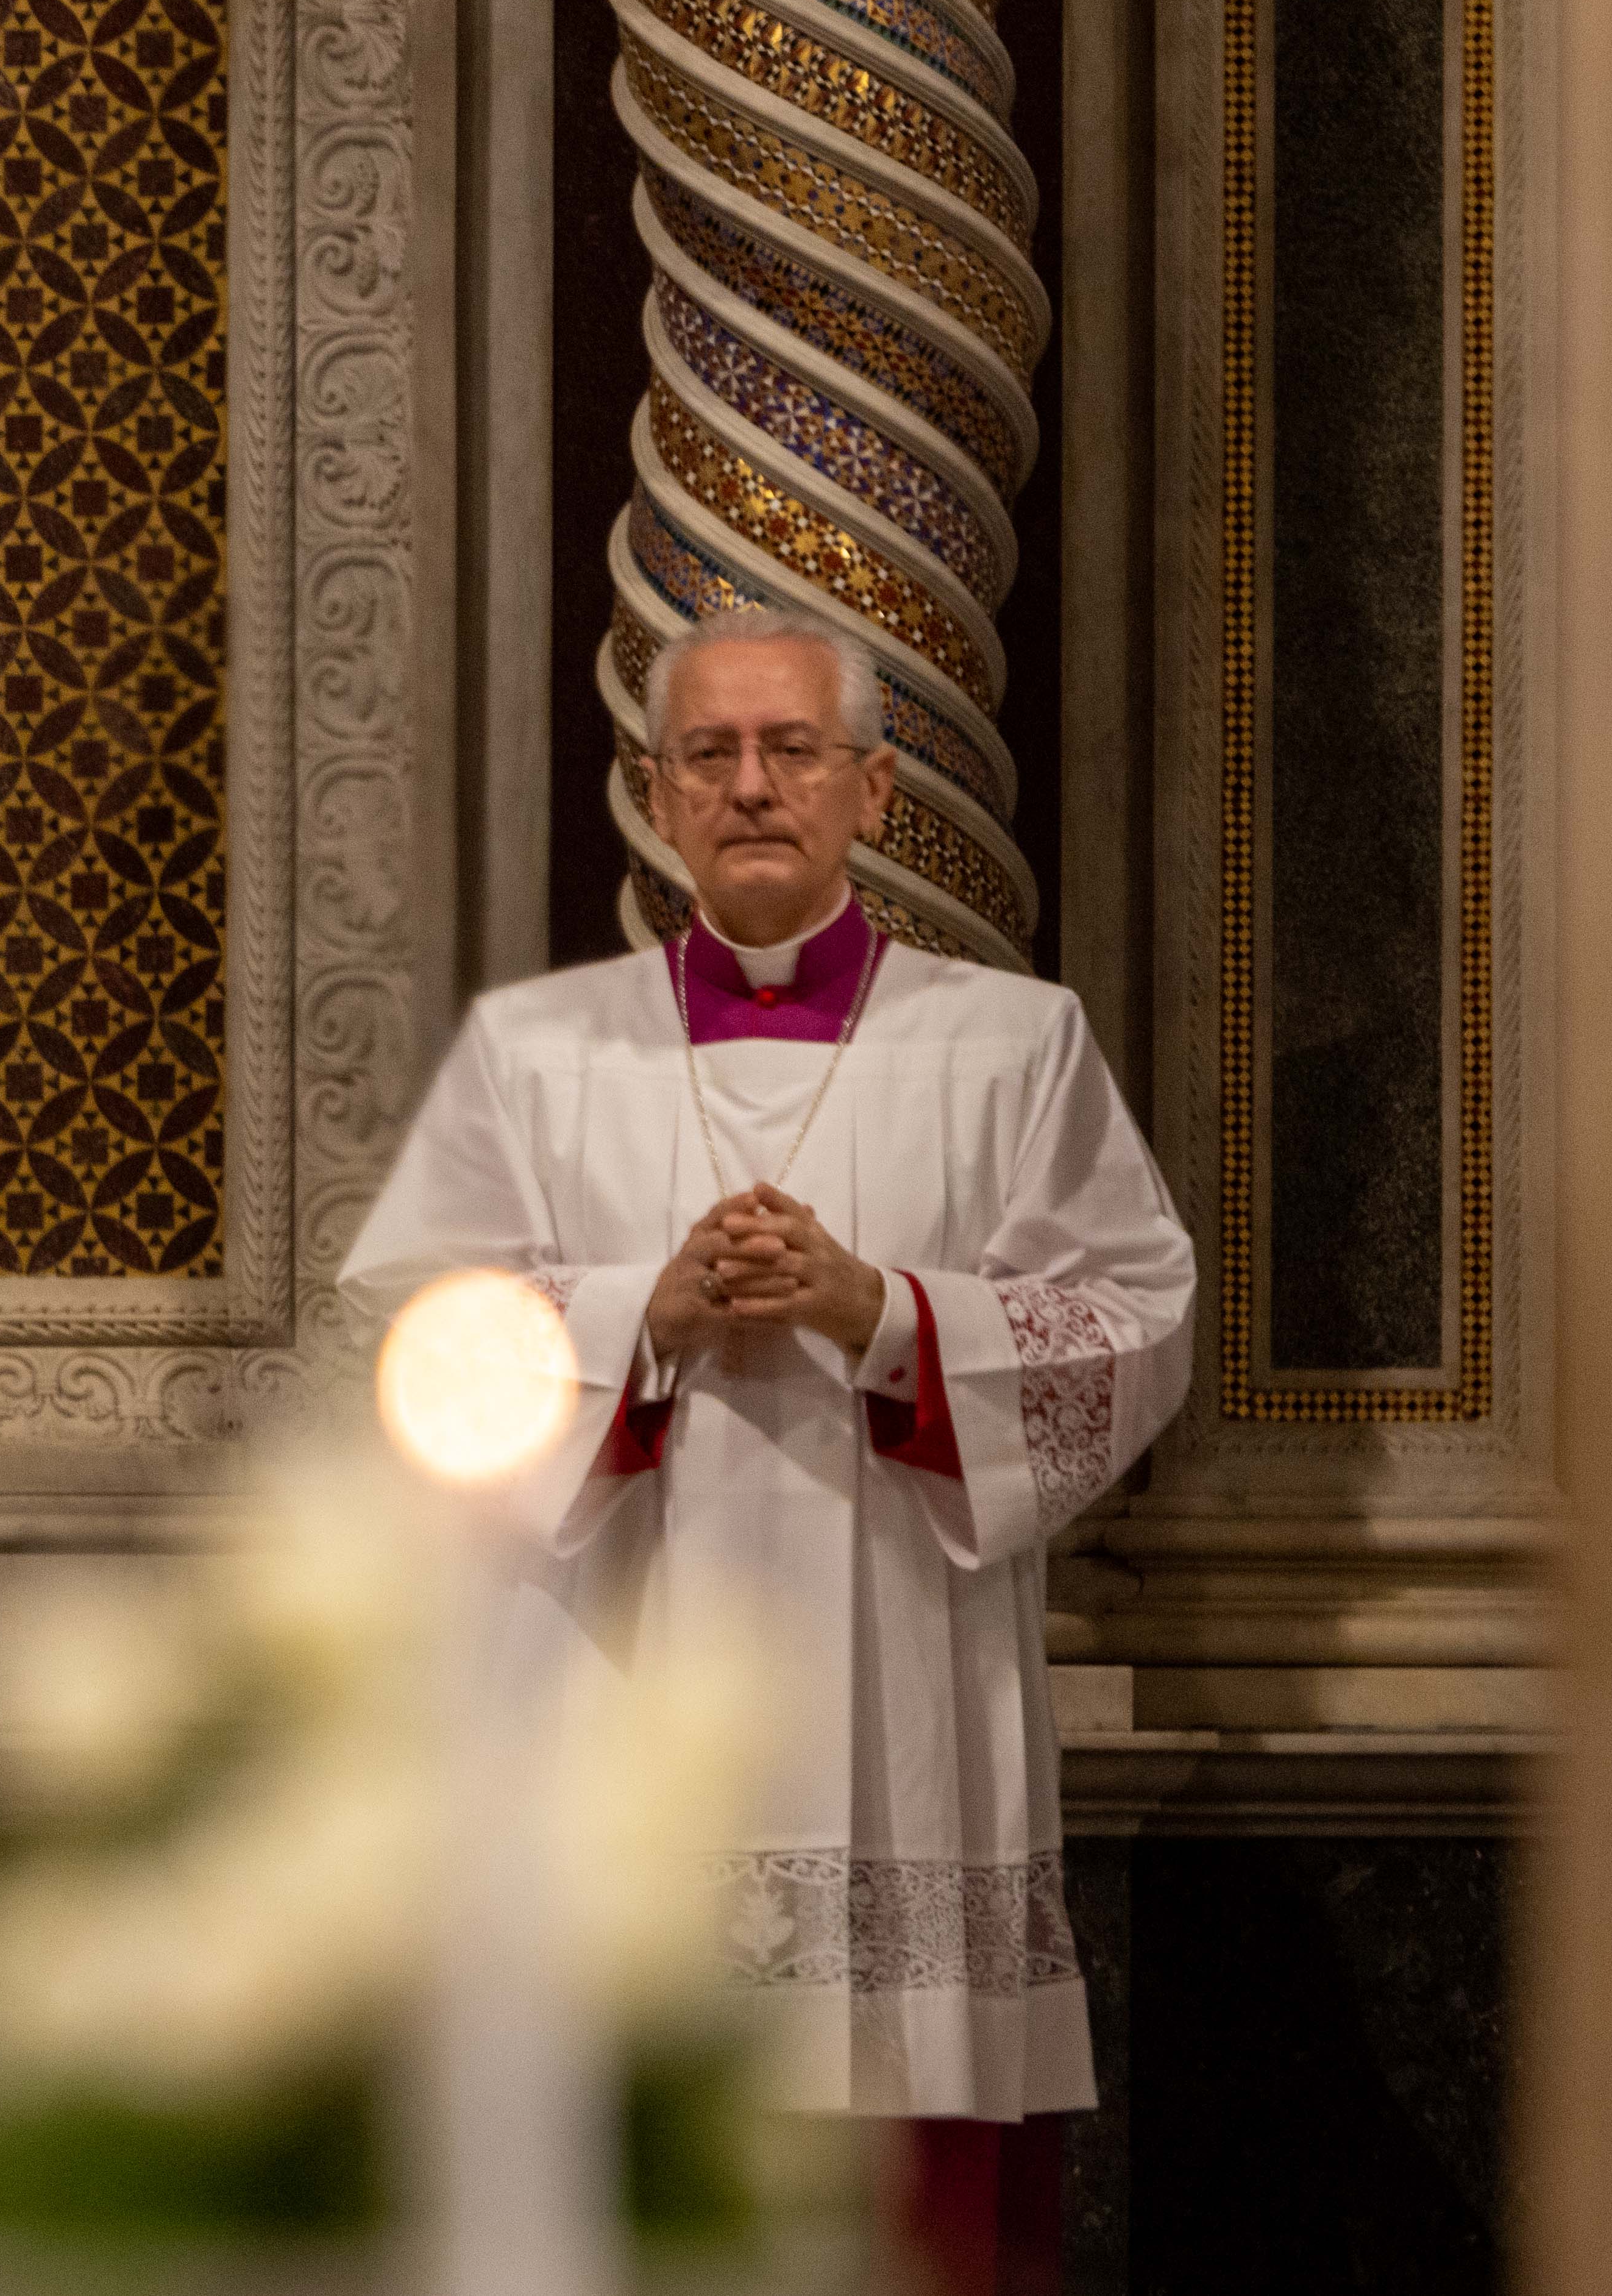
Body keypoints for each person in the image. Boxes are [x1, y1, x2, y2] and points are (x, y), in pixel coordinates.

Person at [341, 603, 1193, 2296]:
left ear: (874, 785)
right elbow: (403, 1345)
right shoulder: (535, 1052)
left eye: (793, 748)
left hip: (907, 1710)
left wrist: (882, 1313)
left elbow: (1135, 1321)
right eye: (710, 753)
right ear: (656, 793)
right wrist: (633, 1318)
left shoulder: (1012, 1047)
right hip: (602, 1700)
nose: (751, 785)